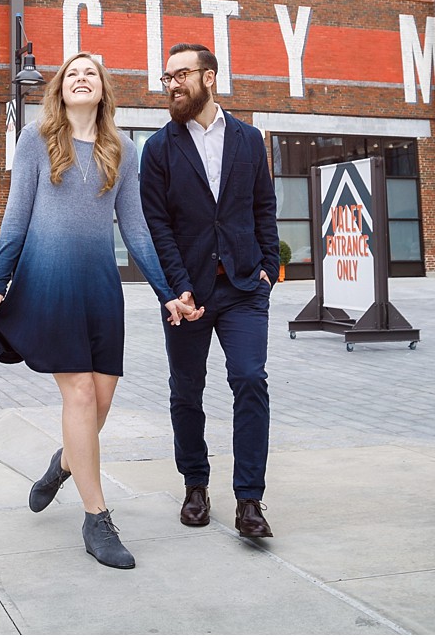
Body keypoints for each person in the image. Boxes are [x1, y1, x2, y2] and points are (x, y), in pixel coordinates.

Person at [0, 52, 194, 570]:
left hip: (101, 287)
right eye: (72, 73)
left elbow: (136, 227)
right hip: (49, 281)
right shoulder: (35, 138)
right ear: (60, 88)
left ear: (103, 89)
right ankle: (96, 518)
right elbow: (17, 211)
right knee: (77, 392)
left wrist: (167, 291)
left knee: (99, 401)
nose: (81, 78)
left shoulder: (121, 147)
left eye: (90, 73)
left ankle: (63, 463)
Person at [139, 42, 280, 539]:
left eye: (181, 75)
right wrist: (177, 287)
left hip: (243, 287)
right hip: (187, 294)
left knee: (250, 380)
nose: (172, 84)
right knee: (187, 392)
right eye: (167, 77)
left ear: (210, 78)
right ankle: (195, 485)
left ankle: (249, 500)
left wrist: (269, 267)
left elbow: (264, 206)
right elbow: (157, 225)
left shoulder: (247, 139)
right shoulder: (158, 148)